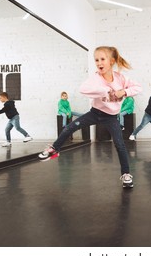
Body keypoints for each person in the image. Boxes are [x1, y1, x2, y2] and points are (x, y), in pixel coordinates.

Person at [38, 46, 142, 188]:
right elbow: (83, 89)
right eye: (96, 60)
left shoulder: (120, 78)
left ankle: (126, 174)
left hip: (111, 118)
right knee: (69, 128)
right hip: (95, 113)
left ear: (111, 61)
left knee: (119, 144)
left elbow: (138, 87)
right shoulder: (95, 78)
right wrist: (105, 91)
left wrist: (123, 92)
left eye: (102, 59)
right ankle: (54, 149)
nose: (99, 63)